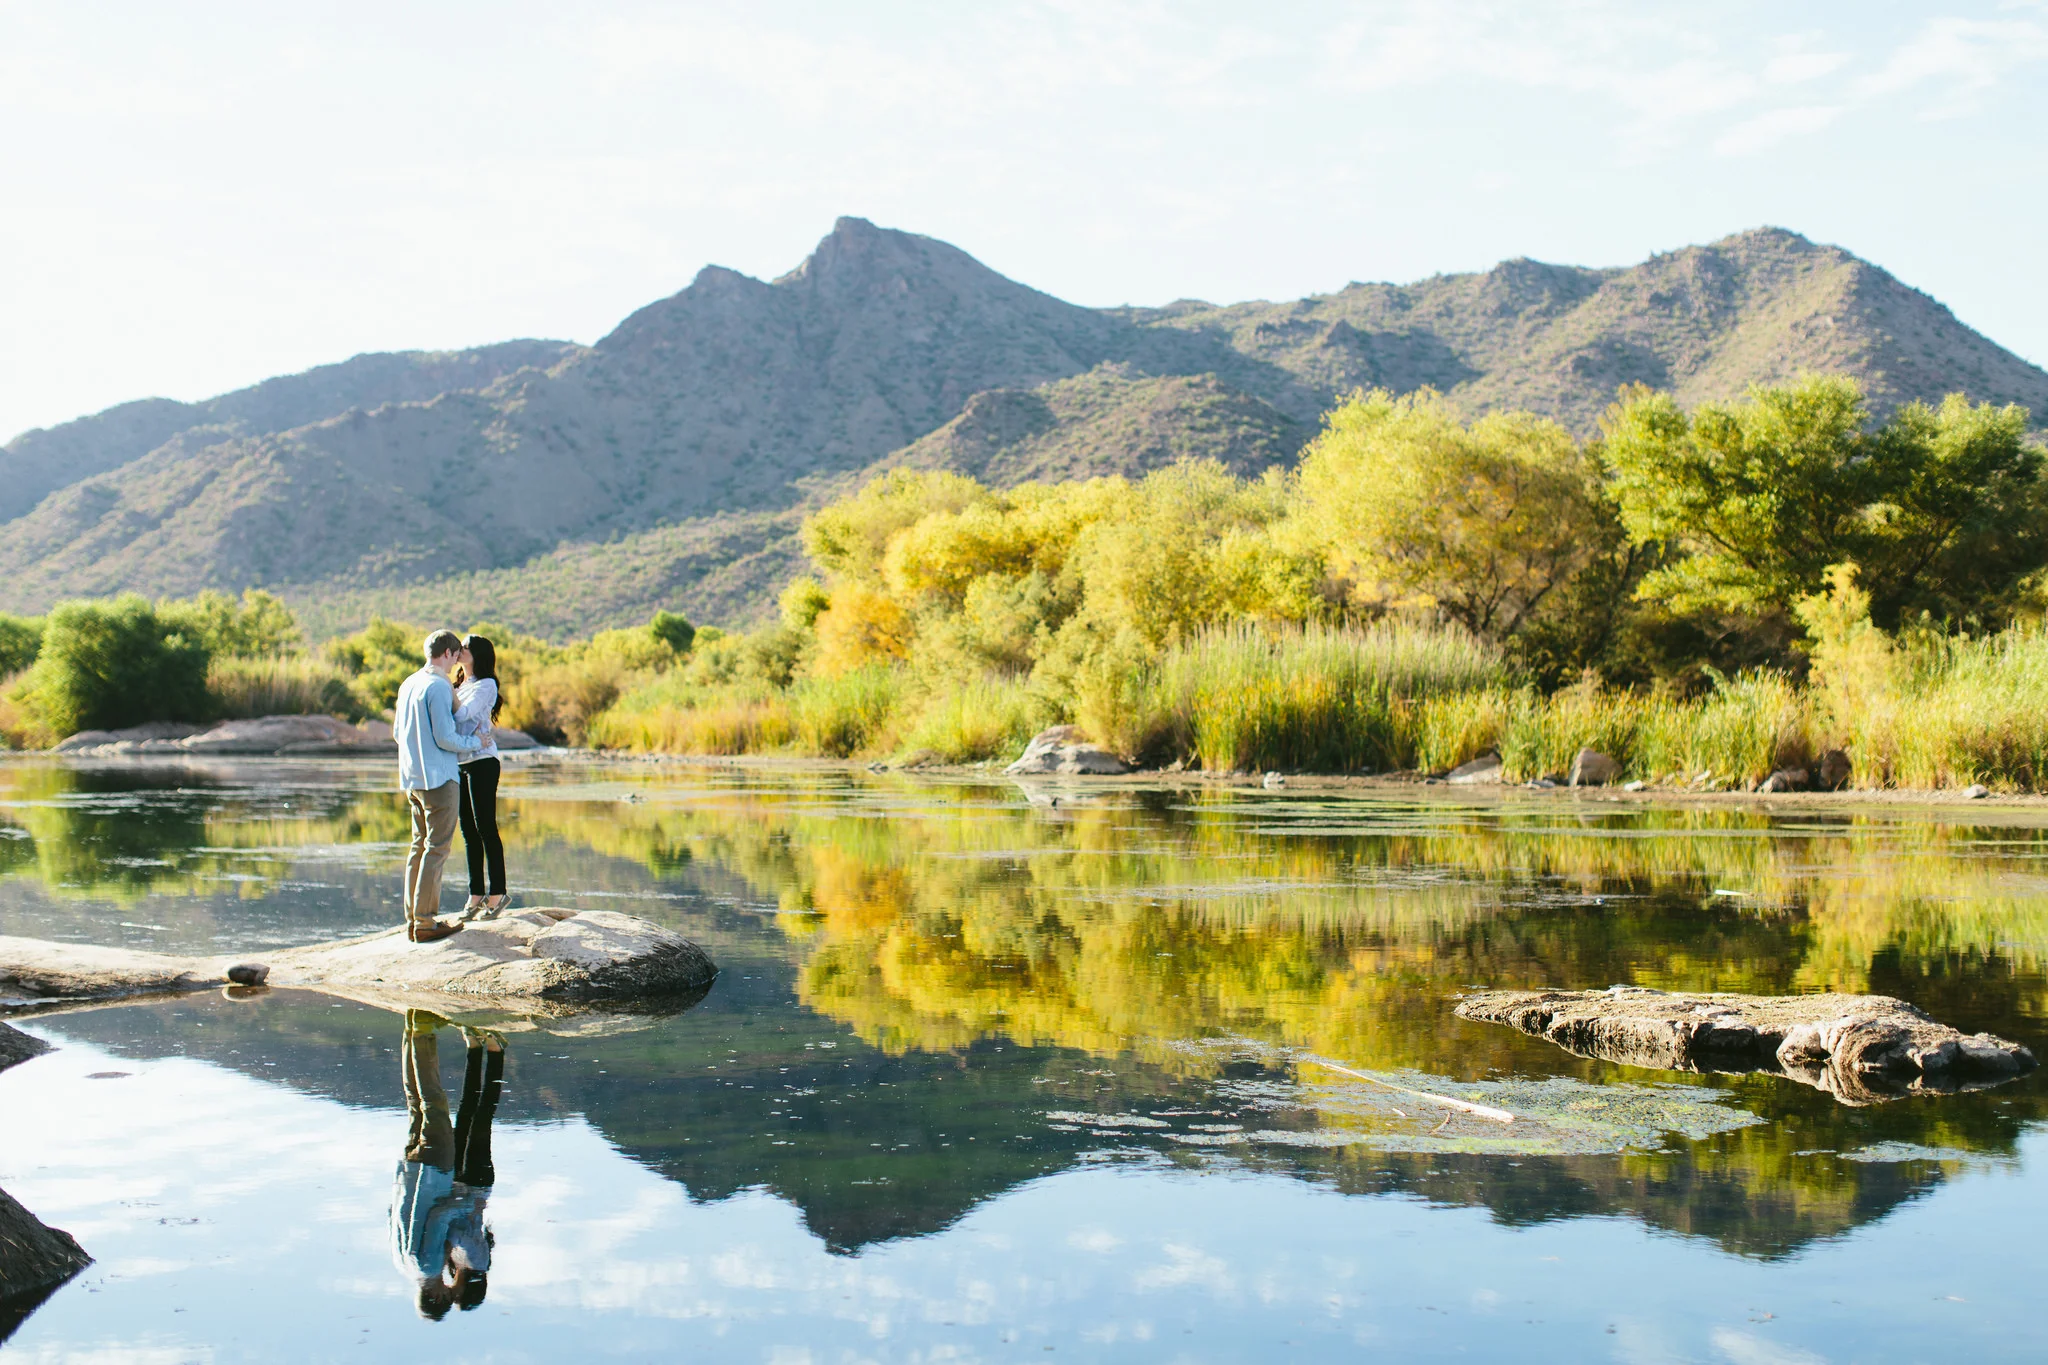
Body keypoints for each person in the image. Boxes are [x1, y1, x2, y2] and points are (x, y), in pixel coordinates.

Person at [390, 1010, 503, 1320]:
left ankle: (421, 1032)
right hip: (416, 1176)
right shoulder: (405, 1266)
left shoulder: (429, 1265)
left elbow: (444, 1219)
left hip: (433, 1176)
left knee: (433, 1102)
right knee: (420, 1104)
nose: (452, 1291)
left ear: (438, 1296)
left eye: (449, 1297)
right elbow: (397, 1214)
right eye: (458, 1295)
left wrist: (464, 1201)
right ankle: (415, 1033)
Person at [394, 630, 482, 944]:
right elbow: (446, 737)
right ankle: (426, 922)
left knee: (418, 847)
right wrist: (476, 742)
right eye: (456, 656)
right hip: (440, 778)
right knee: (437, 848)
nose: (457, 662)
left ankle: (412, 920)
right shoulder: (438, 686)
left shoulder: (409, 683)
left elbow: (396, 733)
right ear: (447, 653)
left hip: (412, 779)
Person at [452, 634, 509, 919]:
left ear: (478, 654)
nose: (459, 651)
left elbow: (464, 716)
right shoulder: (460, 685)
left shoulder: (487, 685)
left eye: (464, 648)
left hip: (483, 761)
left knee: (485, 826)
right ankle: (475, 893)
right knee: (468, 831)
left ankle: (497, 892)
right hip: (460, 761)